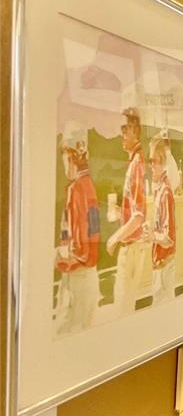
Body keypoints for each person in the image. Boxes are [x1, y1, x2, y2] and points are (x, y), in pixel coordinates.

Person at [54, 121, 101, 334]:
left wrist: (58, 257)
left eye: (65, 153)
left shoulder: (75, 190)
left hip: (77, 280)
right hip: (90, 278)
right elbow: (93, 234)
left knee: (65, 332)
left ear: (72, 155)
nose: (63, 160)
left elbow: (79, 250)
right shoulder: (89, 186)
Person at [106, 107, 148, 315]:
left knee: (122, 309)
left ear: (135, 130)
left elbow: (139, 215)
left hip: (131, 247)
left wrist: (115, 237)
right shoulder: (135, 162)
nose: (121, 134)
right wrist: (118, 210)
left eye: (125, 129)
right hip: (133, 246)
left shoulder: (136, 165)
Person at [149, 136, 176, 304]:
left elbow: (168, 239)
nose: (151, 165)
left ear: (163, 162)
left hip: (164, 267)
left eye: (154, 161)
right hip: (160, 265)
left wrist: (152, 237)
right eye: (150, 160)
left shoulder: (165, 193)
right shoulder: (159, 190)